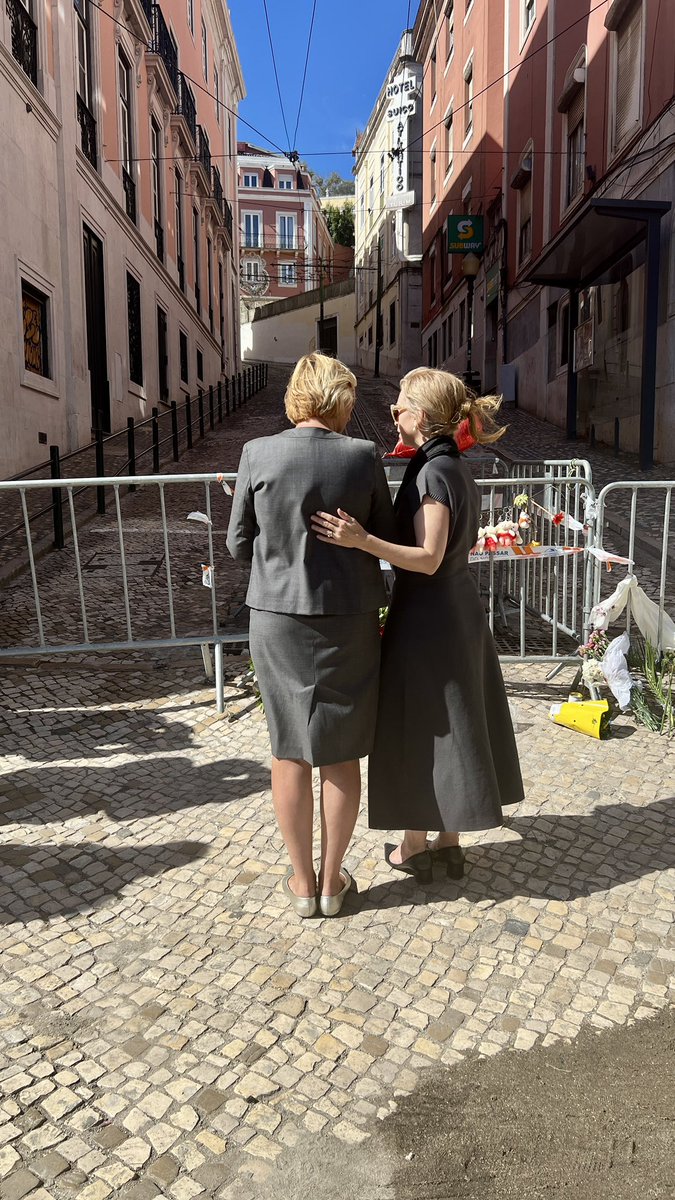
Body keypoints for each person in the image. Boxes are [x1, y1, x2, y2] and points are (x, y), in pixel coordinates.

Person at [312, 367, 524, 883]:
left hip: (430, 614)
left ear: (421, 416)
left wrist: (361, 540)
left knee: (420, 726)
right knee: (450, 722)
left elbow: (428, 557)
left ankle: (414, 846)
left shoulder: (432, 471)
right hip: (452, 611)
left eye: (399, 406)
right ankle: (447, 845)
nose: (393, 415)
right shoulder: (451, 465)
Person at [226, 353, 395, 917]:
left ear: (296, 395)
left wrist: (277, 556)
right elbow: (384, 534)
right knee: (341, 752)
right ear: (341, 398)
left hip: (277, 618)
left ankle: (301, 883)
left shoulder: (257, 453)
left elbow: (237, 542)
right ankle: (332, 882)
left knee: (289, 750)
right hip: (348, 616)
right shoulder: (362, 455)